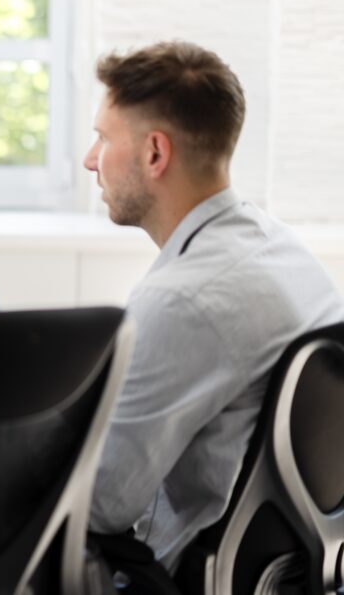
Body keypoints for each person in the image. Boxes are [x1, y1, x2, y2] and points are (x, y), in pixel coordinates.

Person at [85, 41, 344, 575]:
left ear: (155, 154)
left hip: (181, 572)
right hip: (288, 564)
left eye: (103, 138)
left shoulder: (183, 299)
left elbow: (103, 505)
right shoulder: (281, 248)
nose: (90, 160)